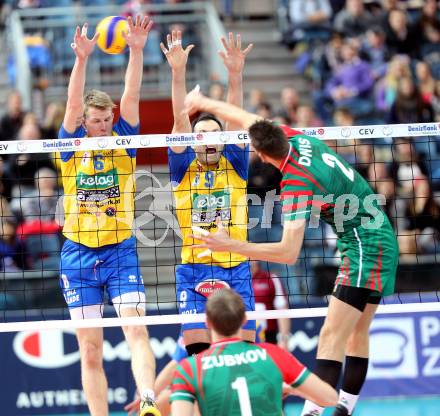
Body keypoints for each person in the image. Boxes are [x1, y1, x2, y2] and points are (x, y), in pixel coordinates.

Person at [183, 90, 398, 416]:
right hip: (377, 235)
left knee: (330, 337)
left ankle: (313, 413)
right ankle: (344, 410)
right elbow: (246, 119)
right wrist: (202, 104)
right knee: (355, 334)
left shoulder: (296, 182)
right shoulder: (292, 137)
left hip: (364, 245)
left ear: (261, 153)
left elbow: (288, 253)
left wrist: (232, 246)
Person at [58, 17, 160, 416]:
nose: (101, 126)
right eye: (94, 121)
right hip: (78, 256)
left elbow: (132, 94)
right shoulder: (68, 147)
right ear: (83, 122)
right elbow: (70, 103)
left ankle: (148, 400)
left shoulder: (125, 144)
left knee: (136, 328)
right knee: (90, 350)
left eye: (106, 120)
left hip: (120, 252)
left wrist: (136, 50)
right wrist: (82, 60)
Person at [160, 30, 255, 355]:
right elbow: (179, 121)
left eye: (215, 133)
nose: (208, 139)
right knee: (198, 353)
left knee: (243, 350)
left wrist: (235, 75)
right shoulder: (182, 168)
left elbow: (236, 118)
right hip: (193, 268)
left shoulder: (236, 162)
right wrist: (177, 73)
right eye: (201, 134)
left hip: (235, 266)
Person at [170, 288, 338, 416]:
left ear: (207, 322)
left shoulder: (189, 369)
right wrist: (291, 389)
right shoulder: (274, 355)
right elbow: (330, 398)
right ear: (245, 319)